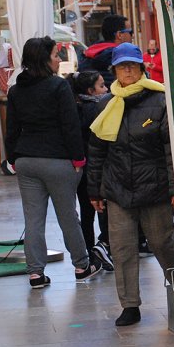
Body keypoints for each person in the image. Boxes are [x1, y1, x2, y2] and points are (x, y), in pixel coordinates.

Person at [86, 43, 174, 327]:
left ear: (142, 67)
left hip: (154, 187)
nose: (127, 70)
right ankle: (130, 305)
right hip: (117, 190)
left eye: (132, 64)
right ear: (114, 70)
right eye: (122, 65)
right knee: (123, 249)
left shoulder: (161, 99)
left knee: (163, 243)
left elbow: (170, 150)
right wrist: (95, 190)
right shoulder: (105, 104)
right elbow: (97, 151)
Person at [5, 37, 102, 288]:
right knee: (67, 216)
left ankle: (35, 273)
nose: (59, 60)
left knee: (33, 219)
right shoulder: (58, 87)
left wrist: (13, 158)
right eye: (56, 55)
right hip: (58, 161)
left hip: (26, 160)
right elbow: (70, 126)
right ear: (44, 59)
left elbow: (12, 129)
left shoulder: (15, 90)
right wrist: (79, 158)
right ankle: (82, 266)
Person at [68, 71, 114, 272]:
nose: (106, 89)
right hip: (99, 168)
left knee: (87, 214)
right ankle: (103, 246)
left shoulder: (74, 108)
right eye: (102, 86)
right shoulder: (98, 108)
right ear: (90, 90)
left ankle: (90, 251)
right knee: (106, 211)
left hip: (81, 169)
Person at [79, 14, 133, 87]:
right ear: (119, 35)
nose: (133, 36)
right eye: (130, 32)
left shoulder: (88, 55)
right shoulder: (122, 57)